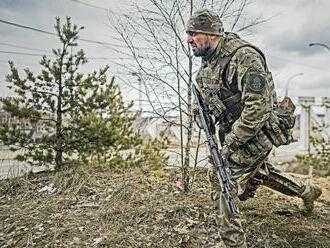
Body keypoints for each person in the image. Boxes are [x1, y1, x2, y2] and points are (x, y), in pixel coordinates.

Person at [186, 9, 322, 247]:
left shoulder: (244, 58)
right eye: (188, 33)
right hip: (237, 133)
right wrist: (200, 116)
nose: (188, 39)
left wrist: (229, 144)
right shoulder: (207, 65)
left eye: (194, 33)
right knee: (259, 172)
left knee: (221, 177)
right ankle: (307, 191)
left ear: (213, 34)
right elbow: (201, 101)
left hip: (258, 132)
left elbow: (256, 110)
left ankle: (233, 242)